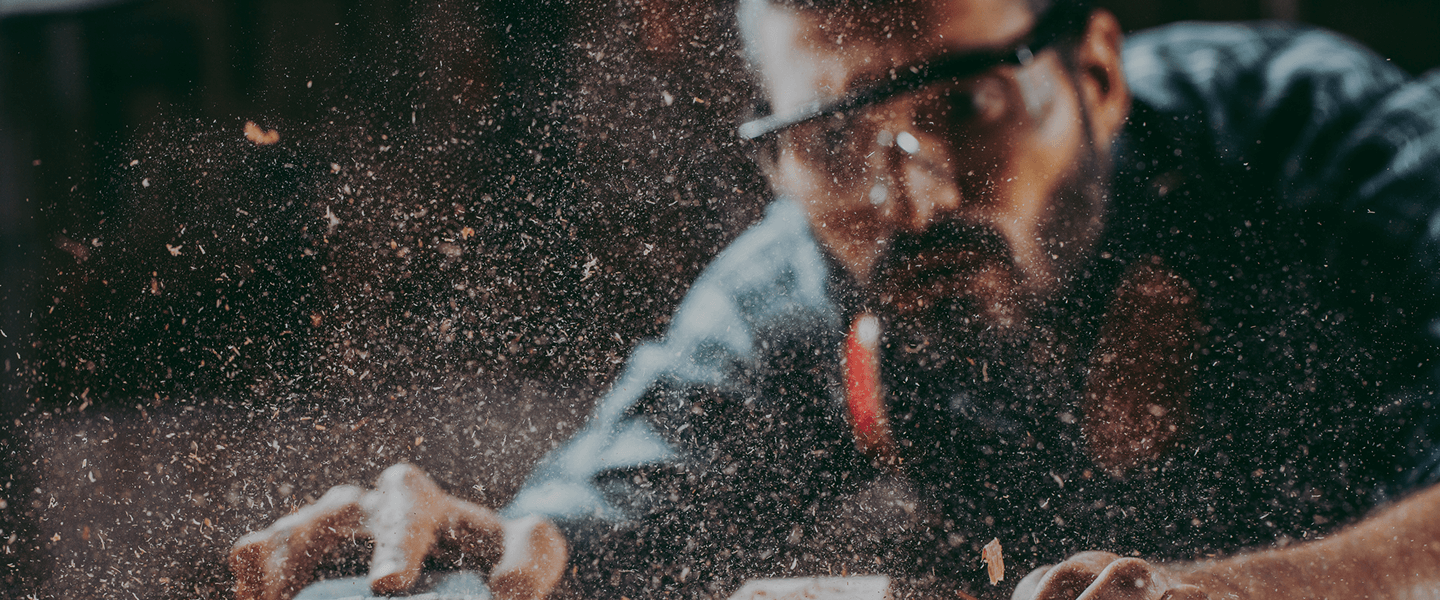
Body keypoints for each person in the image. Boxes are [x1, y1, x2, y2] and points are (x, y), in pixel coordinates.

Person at [230, 0, 1440, 598]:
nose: (906, 192)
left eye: (961, 106)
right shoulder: (795, 294)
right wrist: (485, 564)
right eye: (833, 135)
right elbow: (573, 546)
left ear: (1098, 72)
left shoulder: (1325, 149)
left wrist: (1236, 597)